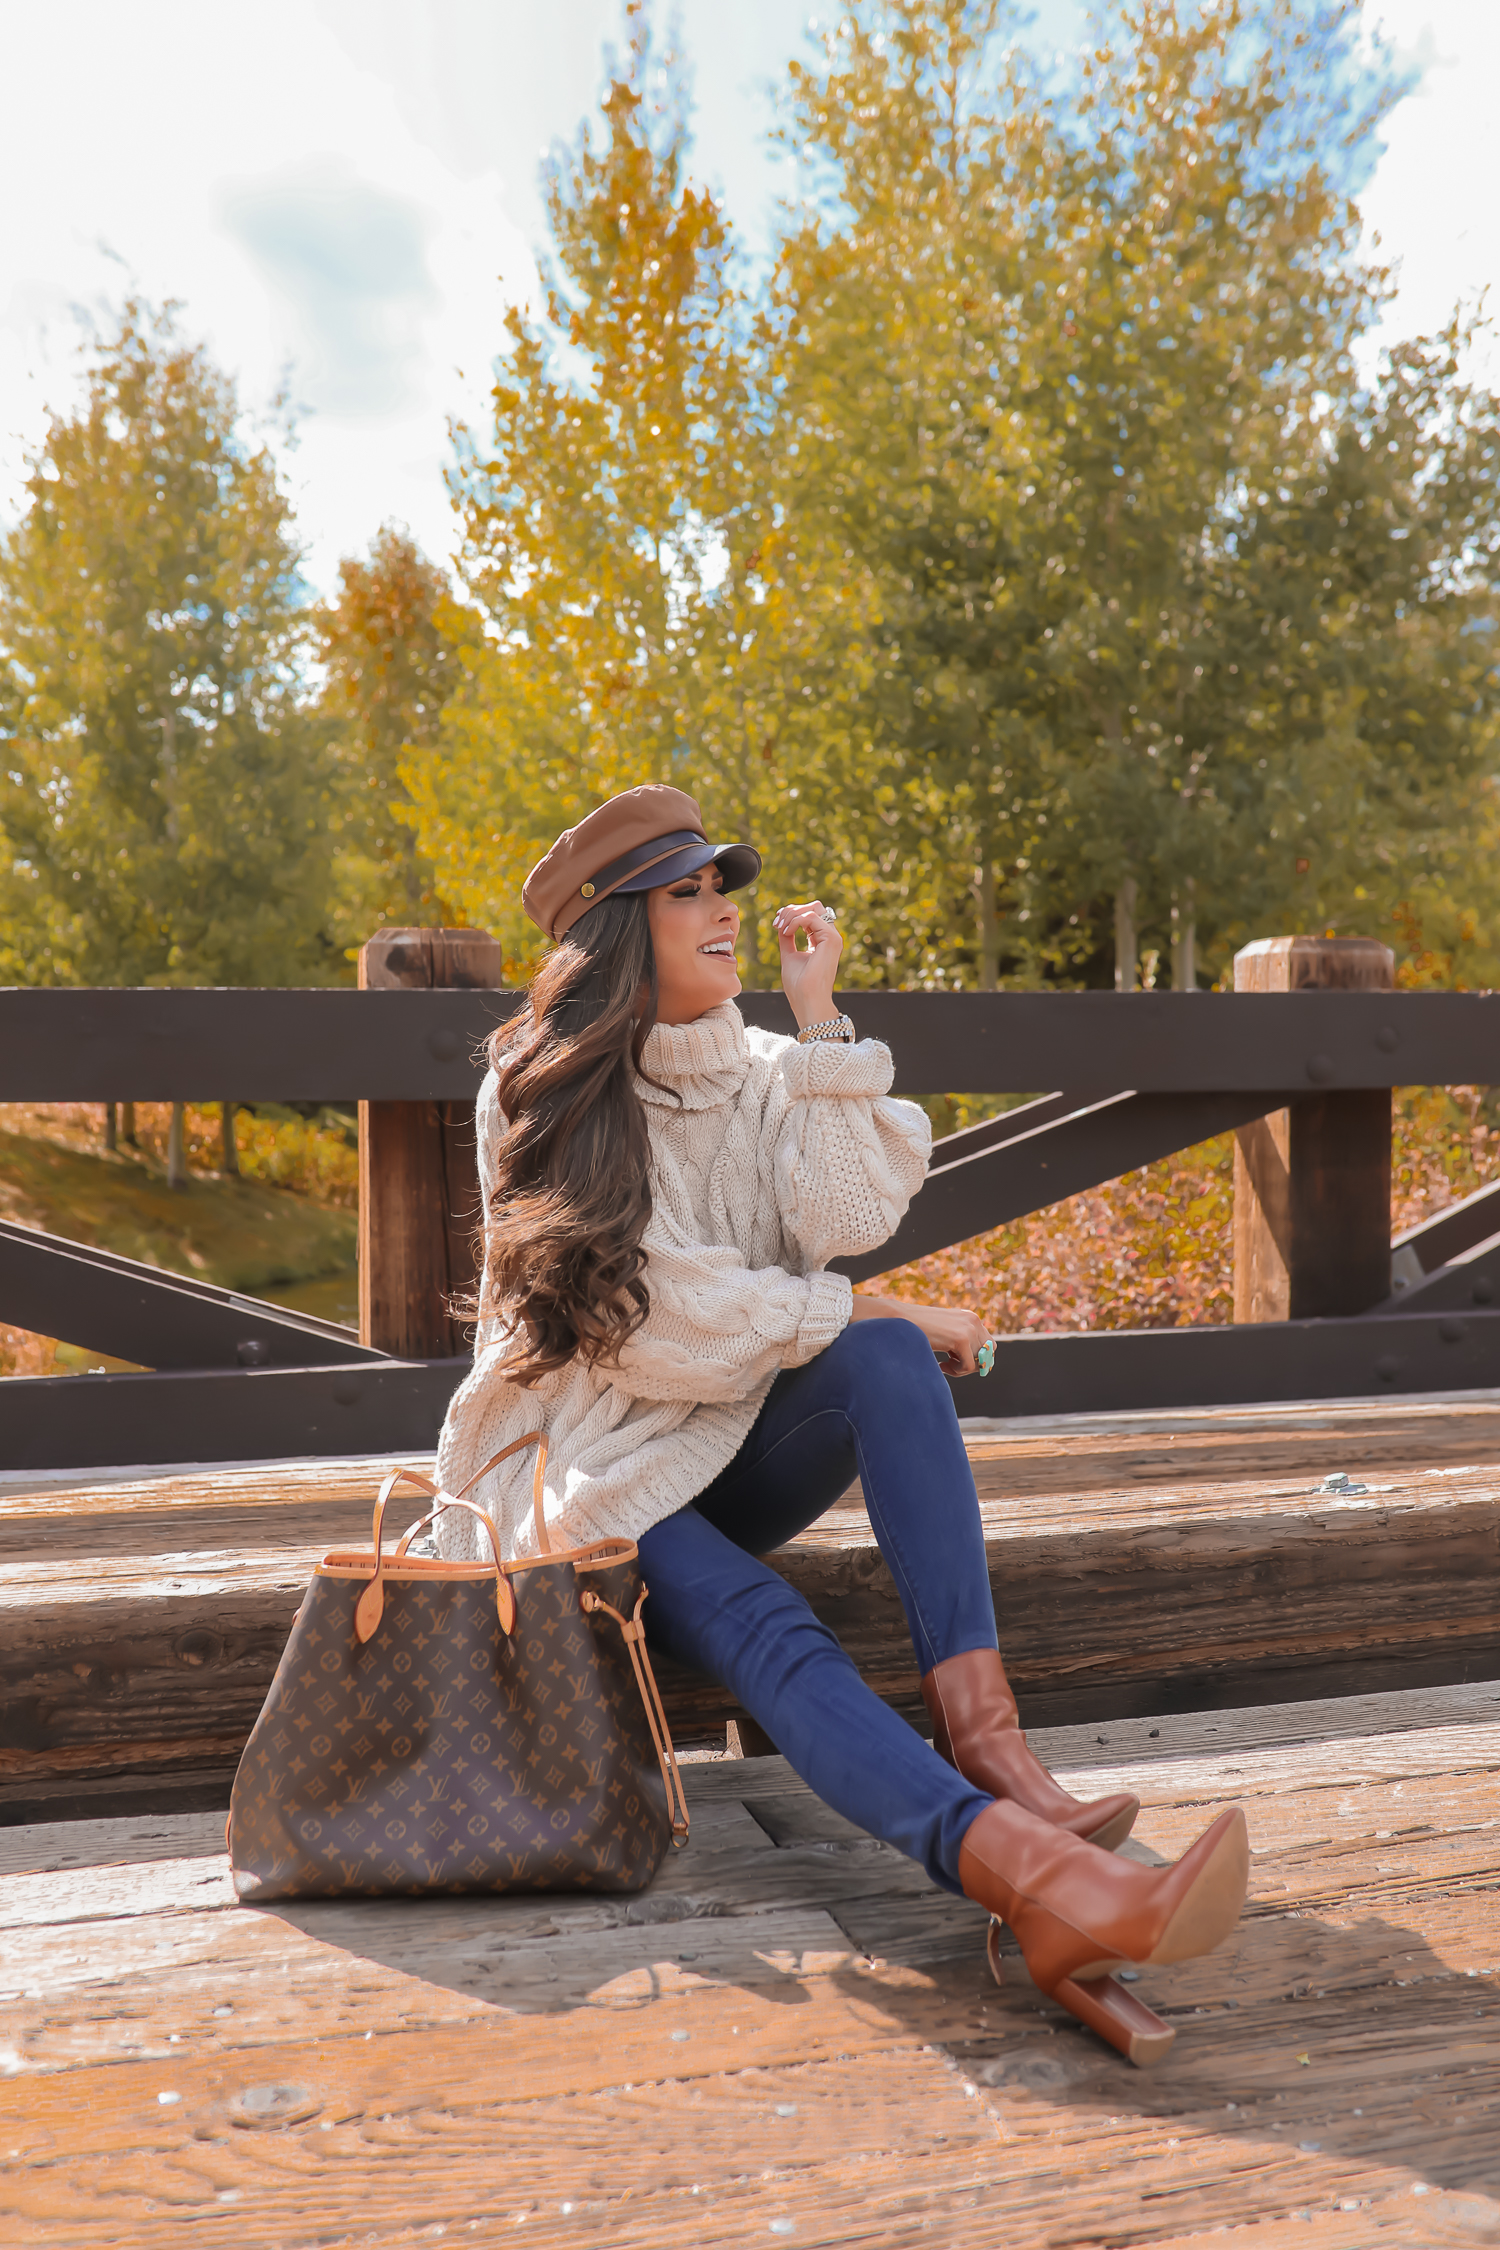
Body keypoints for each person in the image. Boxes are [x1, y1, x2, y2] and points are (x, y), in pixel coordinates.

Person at [435, 784, 1247, 2064]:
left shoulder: (767, 1069)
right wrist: (863, 1306)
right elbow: (641, 1315)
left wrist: (818, 1028)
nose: (726, 913)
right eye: (690, 893)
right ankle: (1035, 1888)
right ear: (613, 931)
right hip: (582, 1467)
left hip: (719, 1437)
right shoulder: (536, 1091)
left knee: (879, 1359)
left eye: (726, 888)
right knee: (772, 1604)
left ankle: (997, 1754)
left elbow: (852, 1212)